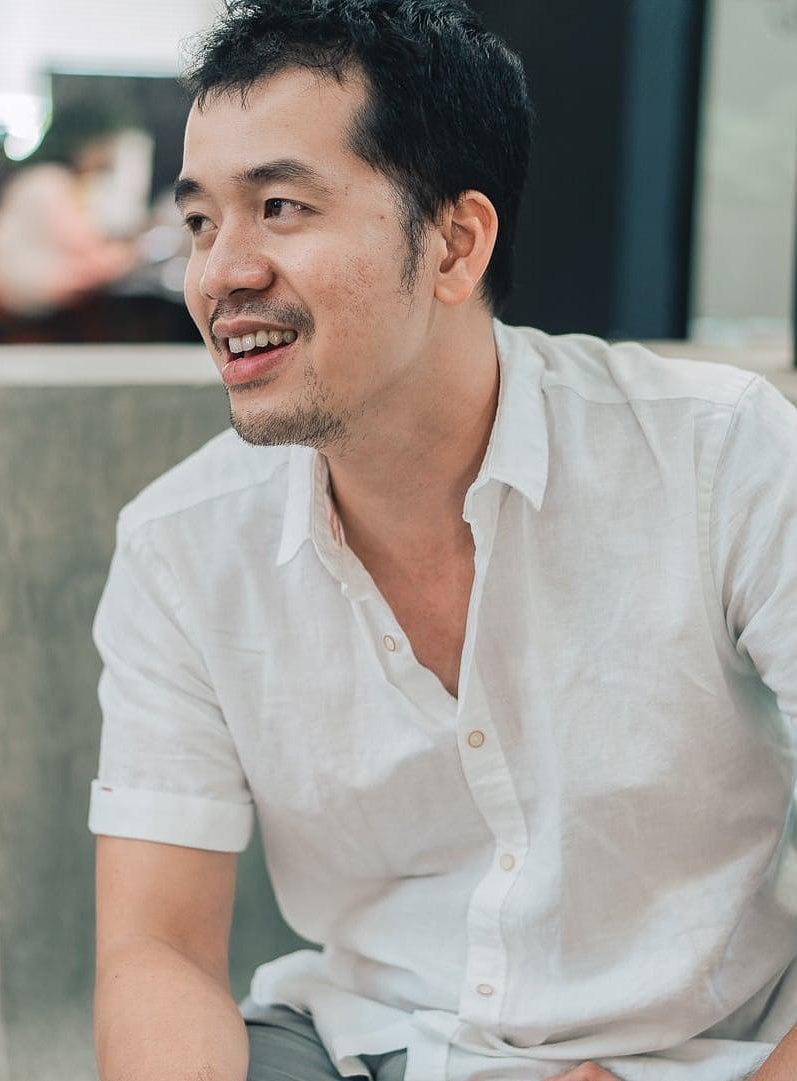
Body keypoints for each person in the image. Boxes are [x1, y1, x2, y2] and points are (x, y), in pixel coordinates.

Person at [86, 2, 797, 1080]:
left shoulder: (721, 456)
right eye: (198, 222)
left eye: (279, 206)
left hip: (712, 1050)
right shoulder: (179, 546)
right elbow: (158, 948)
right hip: (370, 1043)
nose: (220, 273)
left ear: (456, 244)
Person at [0, 102, 139, 318]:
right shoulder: (50, 180)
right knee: (106, 271)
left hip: (22, 287)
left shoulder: (42, 177)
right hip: (23, 293)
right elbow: (81, 244)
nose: (108, 157)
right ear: (86, 145)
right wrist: (132, 252)